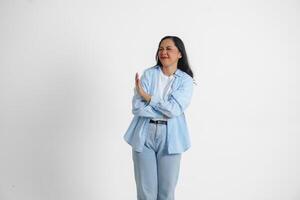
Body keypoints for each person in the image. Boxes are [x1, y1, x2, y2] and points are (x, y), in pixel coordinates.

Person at [123, 35, 194, 200]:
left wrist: (149, 98)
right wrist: (164, 109)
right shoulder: (148, 75)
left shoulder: (186, 81)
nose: (164, 52)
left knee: (166, 193)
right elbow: (137, 108)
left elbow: (174, 110)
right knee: (145, 193)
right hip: (143, 134)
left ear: (180, 54)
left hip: (172, 138)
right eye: (161, 48)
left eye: (169, 48)